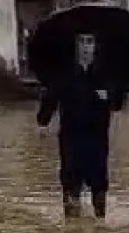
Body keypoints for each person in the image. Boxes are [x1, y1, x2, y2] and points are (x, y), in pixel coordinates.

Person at [37, 34, 123, 219]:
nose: (85, 47)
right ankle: (71, 225)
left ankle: (100, 221)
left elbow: (118, 101)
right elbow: (51, 97)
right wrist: (43, 122)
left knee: (98, 180)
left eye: (89, 42)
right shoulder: (65, 73)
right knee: (70, 179)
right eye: (82, 42)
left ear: (95, 46)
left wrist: (108, 96)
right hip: (71, 135)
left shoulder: (104, 73)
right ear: (76, 46)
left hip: (97, 135)